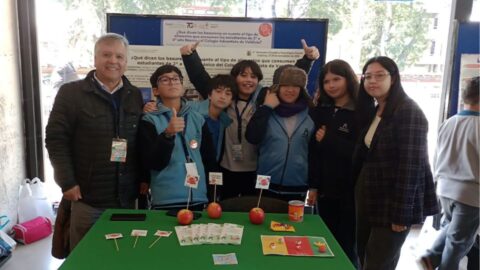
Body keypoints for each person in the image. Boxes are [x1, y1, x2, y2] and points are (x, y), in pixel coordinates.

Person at [181, 40, 319, 199]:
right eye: (243, 75)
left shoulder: (264, 96)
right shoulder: (226, 97)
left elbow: (289, 81)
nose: (248, 80)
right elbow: (203, 81)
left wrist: (307, 60)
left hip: (255, 169)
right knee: (226, 208)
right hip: (226, 167)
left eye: (253, 76)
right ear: (235, 78)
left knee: (252, 211)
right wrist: (190, 56)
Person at [45, 33, 144, 251]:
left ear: (126, 62)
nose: (113, 61)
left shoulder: (134, 95)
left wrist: (143, 180)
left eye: (119, 56)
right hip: (88, 197)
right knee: (85, 256)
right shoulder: (71, 93)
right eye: (106, 55)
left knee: (122, 255)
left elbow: (139, 143)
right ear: (95, 58)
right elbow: (55, 139)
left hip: (126, 199)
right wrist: (67, 182)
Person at [352, 56, 439, 270]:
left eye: (379, 75)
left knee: (378, 263)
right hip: (370, 196)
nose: (372, 81)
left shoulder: (408, 111)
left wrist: (401, 213)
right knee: (365, 255)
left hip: (393, 203)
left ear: (394, 78)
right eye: (368, 76)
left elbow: (411, 167)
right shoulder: (377, 110)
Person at [418, 76, 479, 270]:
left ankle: (431, 257)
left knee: (451, 228)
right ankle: (437, 261)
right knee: (459, 242)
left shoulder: (450, 122)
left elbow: (437, 156)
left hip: (444, 188)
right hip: (471, 193)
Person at [138, 64, 217, 211]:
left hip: (198, 197)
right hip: (166, 198)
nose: (172, 82)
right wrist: (168, 134)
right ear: (155, 90)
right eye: (165, 80)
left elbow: (209, 158)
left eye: (176, 79)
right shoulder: (149, 120)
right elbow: (152, 162)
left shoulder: (198, 118)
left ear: (182, 86)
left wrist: (212, 194)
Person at [307, 59, 359, 266]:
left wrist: (330, 140)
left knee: (347, 245)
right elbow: (315, 152)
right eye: (327, 81)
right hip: (325, 190)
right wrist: (314, 186)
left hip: (351, 192)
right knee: (325, 242)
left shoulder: (363, 112)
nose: (331, 85)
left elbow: (361, 154)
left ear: (348, 79)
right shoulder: (321, 111)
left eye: (336, 79)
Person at [245, 66, 314, 202]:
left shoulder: (311, 113)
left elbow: (315, 153)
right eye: (285, 85)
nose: (290, 90)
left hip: (297, 185)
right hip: (265, 184)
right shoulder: (266, 110)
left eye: (295, 86)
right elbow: (252, 137)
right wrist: (266, 107)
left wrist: (314, 185)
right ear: (277, 87)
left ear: (301, 89)